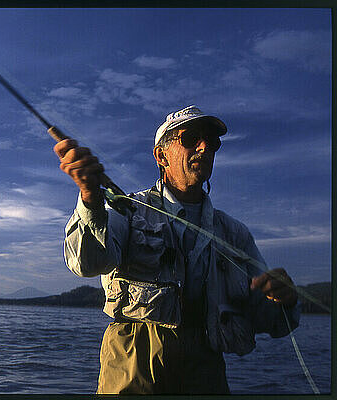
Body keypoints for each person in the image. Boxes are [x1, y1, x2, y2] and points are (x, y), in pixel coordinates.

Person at [53, 105, 300, 394]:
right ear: (161, 155)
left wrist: (284, 299)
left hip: (206, 372)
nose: (205, 146)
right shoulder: (125, 210)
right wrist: (90, 199)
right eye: (191, 137)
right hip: (133, 369)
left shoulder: (235, 234)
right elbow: (86, 264)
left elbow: (272, 322)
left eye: (212, 141)